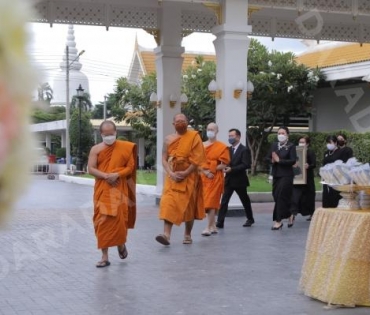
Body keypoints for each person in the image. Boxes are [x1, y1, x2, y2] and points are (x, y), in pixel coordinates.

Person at [88, 121, 137, 268]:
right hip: (103, 190)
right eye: (106, 134)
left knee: (119, 222)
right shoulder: (96, 149)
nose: (109, 137)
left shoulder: (126, 147)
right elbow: (91, 169)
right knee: (102, 222)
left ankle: (121, 244)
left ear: (116, 132)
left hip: (119, 190)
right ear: (101, 134)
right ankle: (104, 256)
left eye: (111, 134)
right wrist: (106, 176)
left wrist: (117, 174)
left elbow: (130, 167)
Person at [156, 113, 206, 246]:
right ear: (173, 124)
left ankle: (188, 234)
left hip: (189, 176)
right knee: (168, 203)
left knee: (189, 207)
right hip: (172, 177)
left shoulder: (194, 137)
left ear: (187, 122)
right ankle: (166, 235)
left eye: (182, 121)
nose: (180, 123)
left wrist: (185, 172)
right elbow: (164, 159)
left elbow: (197, 159)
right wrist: (171, 173)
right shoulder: (168, 139)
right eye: (177, 121)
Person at [216, 128, 255, 229]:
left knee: (244, 200)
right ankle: (220, 222)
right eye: (229, 136)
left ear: (238, 136)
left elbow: (246, 164)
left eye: (232, 136)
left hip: (240, 180)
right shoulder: (228, 150)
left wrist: (232, 169)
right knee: (224, 201)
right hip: (229, 180)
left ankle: (250, 218)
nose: (230, 138)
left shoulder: (244, 150)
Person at [200, 123, 230, 236]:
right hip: (203, 176)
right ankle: (213, 226)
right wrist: (205, 172)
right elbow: (198, 162)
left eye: (212, 129)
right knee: (206, 201)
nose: (210, 131)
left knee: (211, 202)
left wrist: (211, 170)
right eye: (208, 129)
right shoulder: (202, 145)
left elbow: (224, 164)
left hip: (215, 177)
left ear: (217, 131)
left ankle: (208, 227)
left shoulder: (222, 146)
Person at [266, 126, 297, 230]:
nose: (280, 135)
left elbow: (293, 160)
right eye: (279, 133)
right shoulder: (274, 145)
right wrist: (272, 160)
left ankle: (278, 221)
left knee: (280, 196)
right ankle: (290, 213)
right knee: (276, 195)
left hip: (286, 175)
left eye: (283, 133)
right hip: (276, 174)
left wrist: (280, 161)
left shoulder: (291, 146)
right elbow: (267, 157)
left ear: (287, 135)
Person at [289, 136, 316, 226]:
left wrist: (309, 165)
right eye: (300, 141)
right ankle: (292, 215)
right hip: (298, 178)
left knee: (309, 197)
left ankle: (312, 214)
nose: (301, 143)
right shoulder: (295, 151)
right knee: (295, 197)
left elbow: (314, 164)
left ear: (307, 143)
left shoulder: (310, 152)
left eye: (303, 142)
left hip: (308, 179)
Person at [322, 135, 353, 208]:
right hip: (326, 177)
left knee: (335, 195)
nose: (329, 144)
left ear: (335, 143)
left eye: (330, 142)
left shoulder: (341, 152)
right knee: (326, 195)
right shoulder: (326, 153)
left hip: (336, 178)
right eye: (328, 142)